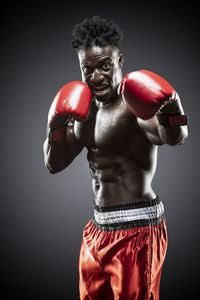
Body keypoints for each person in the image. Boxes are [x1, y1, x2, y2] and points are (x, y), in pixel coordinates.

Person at [43, 16, 188, 300]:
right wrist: (55, 126)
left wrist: (172, 105)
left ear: (120, 60)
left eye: (105, 66)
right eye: (88, 68)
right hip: (97, 229)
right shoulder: (81, 110)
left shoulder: (132, 106)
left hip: (137, 231)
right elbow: (53, 164)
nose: (96, 76)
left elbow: (173, 137)